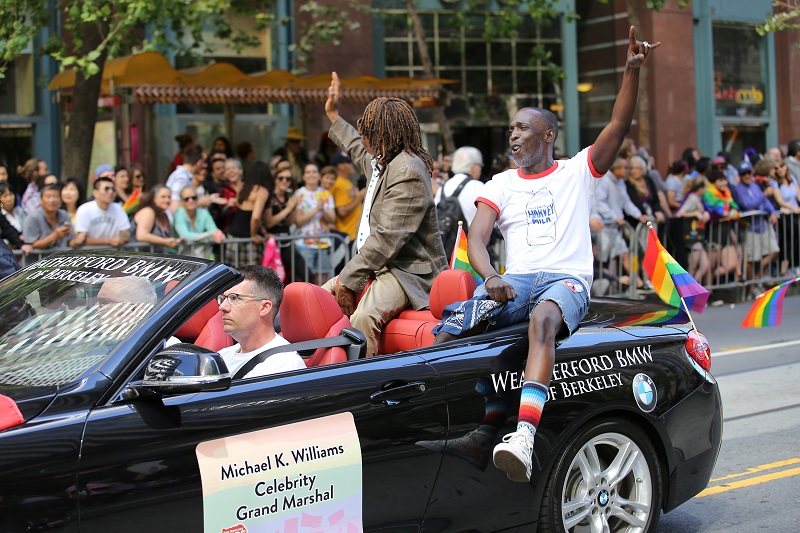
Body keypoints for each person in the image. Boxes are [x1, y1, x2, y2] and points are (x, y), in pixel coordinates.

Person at [433, 28, 658, 483]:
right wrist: (490, 275)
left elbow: (618, 126)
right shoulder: (499, 184)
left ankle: (524, 436)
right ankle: (483, 427)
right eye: (511, 128)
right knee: (450, 328)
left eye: (521, 127)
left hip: (565, 281)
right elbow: (476, 239)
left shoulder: (578, 171)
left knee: (542, 321)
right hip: (515, 281)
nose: (512, 135)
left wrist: (631, 71)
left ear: (547, 134)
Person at [323, 72, 449, 358]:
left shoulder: (406, 170)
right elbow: (355, 148)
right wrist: (333, 115)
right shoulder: (384, 160)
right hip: (379, 264)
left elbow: (386, 240)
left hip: (405, 271)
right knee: (317, 299)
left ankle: (361, 388)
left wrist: (346, 280)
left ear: (383, 134)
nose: (363, 137)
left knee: (363, 319)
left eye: (368, 131)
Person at [216, 265, 305, 378]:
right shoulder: (222, 356)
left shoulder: (284, 367)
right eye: (223, 298)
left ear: (264, 308)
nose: (222, 307)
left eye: (235, 298)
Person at [732, 161, 780, 282]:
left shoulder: (754, 185)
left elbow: (765, 202)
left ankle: (757, 277)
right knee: (752, 259)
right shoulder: (738, 189)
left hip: (763, 224)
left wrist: (772, 212)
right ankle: (752, 285)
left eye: (749, 172)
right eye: (744, 174)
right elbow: (747, 204)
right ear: (740, 175)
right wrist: (764, 194)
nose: (747, 175)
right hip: (750, 227)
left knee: (774, 251)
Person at [293, 162, 336, 285]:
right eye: (308, 172)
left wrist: (323, 210)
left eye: (314, 171)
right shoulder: (299, 194)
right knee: (306, 280)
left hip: (324, 242)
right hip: (304, 243)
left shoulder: (326, 194)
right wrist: (316, 209)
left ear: (318, 175)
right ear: (303, 176)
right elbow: (299, 221)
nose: (311, 174)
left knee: (322, 281)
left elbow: (332, 219)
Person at [224, 160, 269, 266]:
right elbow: (255, 217)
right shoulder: (261, 191)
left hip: (232, 237)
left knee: (232, 276)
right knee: (250, 276)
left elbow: (243, 213)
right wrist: (253, 235)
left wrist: (262, 230)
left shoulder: (244, 188)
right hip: (246, 239)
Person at [70, 176, 131, 248]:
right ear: (95, 193)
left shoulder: (118, 208)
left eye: (113, 189)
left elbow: (126, 231)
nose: (111, 192)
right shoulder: (84, 209)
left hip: (113, 254)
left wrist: (122, 238)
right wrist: (108, 241)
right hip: (90, 254)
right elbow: (82, 239)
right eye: (106, 189)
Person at [434, 146, 485, 227]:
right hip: (469, 238)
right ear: (474, 167)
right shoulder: (478, 186)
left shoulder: (444, 186)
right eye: (480, 166)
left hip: (445, 238)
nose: (480, 170)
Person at [173, 185, 226, 259]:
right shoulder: (178, 214)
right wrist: (209, 236)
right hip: (180, 256)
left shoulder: (203, 212)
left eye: (193, 198)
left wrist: (213, 235)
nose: (190, 201)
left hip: (201, 255)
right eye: (186, 199)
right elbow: (185, 235)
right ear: (181, 201)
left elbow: (215, 231)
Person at [675, 176, 711, 283]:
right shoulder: (693, 198)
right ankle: (689, 289)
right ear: (701, 188)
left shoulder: (697, 198)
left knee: (702, 265)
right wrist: (695, 213)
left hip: (697, 238)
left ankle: (691, 288)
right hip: (692, 237)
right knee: (693, 267)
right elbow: (679, 213)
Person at [132, 186, 183, 253]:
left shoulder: (164, 215)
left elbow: (166, 238)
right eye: (163, 197)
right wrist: (164, 242)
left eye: (169, 197)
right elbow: (141, 235)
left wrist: (177, 241)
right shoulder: (148, 211)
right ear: (154, 198)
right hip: (139, 258)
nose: (167, 200)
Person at [23, 184, 72, 250]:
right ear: (41, 200)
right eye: (48, 197)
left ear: (60, 200)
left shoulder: (64, 215)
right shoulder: (33, 218)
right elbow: (31, 244)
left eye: (55, 197)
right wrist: (54, 236)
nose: (52, 200)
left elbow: (70, 241)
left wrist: (79, 240)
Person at [329, 151, 365, 242]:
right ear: (340, 166)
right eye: (348, 162)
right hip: (346, 235)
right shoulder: (337, 184)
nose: (352, 164)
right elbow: (342, 211)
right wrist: (359, 197)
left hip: (354, 233)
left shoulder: (347, 182)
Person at [167, 144, 205, 213]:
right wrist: (200, 203)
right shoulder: (181, 178)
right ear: (199, 163)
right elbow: (174, 205)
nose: (204, 165)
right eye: (203, 162)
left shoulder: (184, 176)